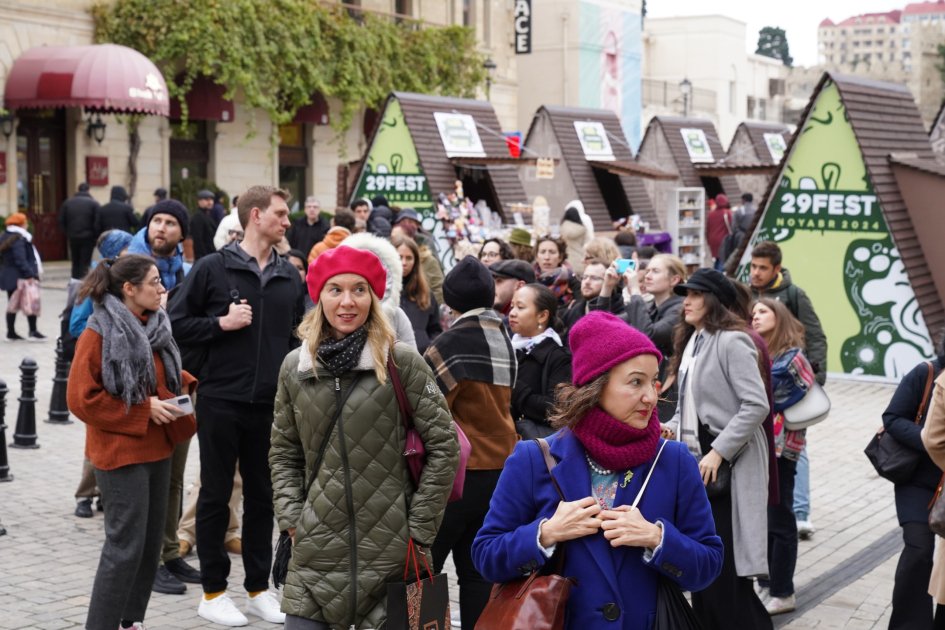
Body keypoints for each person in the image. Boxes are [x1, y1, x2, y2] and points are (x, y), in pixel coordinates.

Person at [473, 311, 724, 629]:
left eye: (652, 380)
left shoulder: (673, 460)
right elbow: (486, 557)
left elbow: (709, 565)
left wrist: (657, 538)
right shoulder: (533, 458)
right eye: (635, 382)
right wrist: (545, 534)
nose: (651, 396)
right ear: (596, 386)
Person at [270, 245, 459, 629]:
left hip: (395, 556)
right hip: (315, 555)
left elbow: (444, 446)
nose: (347, 302)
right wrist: (292, 519)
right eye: (335, 290)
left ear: (373, 298)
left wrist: (420, 529)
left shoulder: (401, 360)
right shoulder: (295, 367)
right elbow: (283, 452)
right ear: (318, 297)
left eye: (359, 290)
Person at [168, 185, 305, 626]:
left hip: (269, 406)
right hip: (220, 400)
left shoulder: (290, 276)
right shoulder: (212, 268)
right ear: (256, 216)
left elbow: (294, 341)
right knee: (215, 495)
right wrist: (220, 324)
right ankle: (212, 593)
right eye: (281, 215)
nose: (287, 222)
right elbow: (175, 323)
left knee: (264, 497)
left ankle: (259, 589)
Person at [66, 254, 197, 630]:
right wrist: (143, 409)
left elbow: (153, 376)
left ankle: (130, 621)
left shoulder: (155, 325)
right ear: (129, 289)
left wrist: (181, 389)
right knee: (124, 549)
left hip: (158, 447)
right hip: (120, 453)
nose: (162, 289)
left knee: (148, 546)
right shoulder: (99, 330)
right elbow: (80, 399)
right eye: (154, 282)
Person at [664, 268, 773, 630]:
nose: (687, 302)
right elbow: (688, 402)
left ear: (713, 300)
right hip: (699, 462)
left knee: (724, 568)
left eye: (695, 295)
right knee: (704, 566)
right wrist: (671, 427)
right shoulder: (694, 340)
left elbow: (756, 405)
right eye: (685, 294)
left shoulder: (732, 340)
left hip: (729, 462)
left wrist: (720, 450)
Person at [424, 256, 518, 628]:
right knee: (478, 572)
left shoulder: (449, 342)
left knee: (424, 568)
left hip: (455, 475)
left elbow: (428, 410)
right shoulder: (504, 338)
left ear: (450, 300)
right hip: (498, 473)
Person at [749, 240, 827, 538]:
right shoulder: (748, 294)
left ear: (776, 269)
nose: (756, 273)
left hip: (791, 387)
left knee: (796, 449)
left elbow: (816, 336)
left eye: (762, 268)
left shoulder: (793, 295)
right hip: (764, 388)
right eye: (753, 266)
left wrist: (814, 382)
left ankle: (802, 512)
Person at [751, 298, 813, 615]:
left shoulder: (792, 358)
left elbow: (765, 395)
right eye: (753, 312)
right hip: (759, 447)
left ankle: (783, 591)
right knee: (764, 517)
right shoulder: (761, 355)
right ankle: (767, 583)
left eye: (763, 311)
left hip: (782, 450)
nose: (755, 316)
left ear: (780, 317)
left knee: (780, 517)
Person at [70, 229, 135, 519]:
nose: (133, 250)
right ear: (116, 252)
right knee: (96, 437)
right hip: (101, 368)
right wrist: (108, 331)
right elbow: (76, 325)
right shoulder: (97, 284)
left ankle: (105, 495)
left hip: (126, 368)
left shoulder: (128, 281)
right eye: (127, 247)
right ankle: (85, 494)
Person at [887, 335, 945, 629]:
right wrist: (928, 440)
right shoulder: (926, 373)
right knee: (919, 551)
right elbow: (892, 418)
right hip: (918, 481)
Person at [603, 254, 686, 422]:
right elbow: (607, 324)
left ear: (674, 279)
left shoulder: (680, 308)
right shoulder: (650, 306)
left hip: (669, 392)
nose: (647, 276)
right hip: (651, 385)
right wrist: (607, 288)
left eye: (655, 271)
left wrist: (635, 291)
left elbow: (649, 336)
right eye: (647, 270)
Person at [508, 283, 571, 438]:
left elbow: (555, 409)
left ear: (542, 315)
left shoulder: (558, 357)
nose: (512, 313)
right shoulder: (508, 348)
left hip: (532, 441)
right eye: (512, 306)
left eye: (520, 307)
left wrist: (513, 385)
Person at [128, 200, 192, 292]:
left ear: (182, 234)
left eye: (170, 223)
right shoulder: (128, 270)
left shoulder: (188, 273)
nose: (161, 229)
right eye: (157, 221)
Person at [0, 212, 45, 341]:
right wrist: (30, 274)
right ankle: (33, 331)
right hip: (20, 277)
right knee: (31, 302)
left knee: (12, 305)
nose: (26, 225)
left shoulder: (5, 235)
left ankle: (11, 332)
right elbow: (20, 259)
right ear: (20, 224)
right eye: (25, 222)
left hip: (9, 276)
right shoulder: (19, 238)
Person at [394, 235, 441, 355]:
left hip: (421, 359)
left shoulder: (426, 294)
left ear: (415, 261)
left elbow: (435, 329)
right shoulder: (381, 292)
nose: (404, 263)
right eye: (399, 257)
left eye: (409, 258)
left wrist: (429, 349)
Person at [59, 182, 101, 279]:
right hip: (88, 237)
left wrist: (67, 233)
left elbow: (61, 220)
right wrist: (95, 236)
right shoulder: (94, 203)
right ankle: (83, 282)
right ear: (88, 190)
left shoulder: (67, 203)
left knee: (75, 261)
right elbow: (97, 222)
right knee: (85, 262)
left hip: (73, 236)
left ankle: (74, 281)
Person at [534, 236, 578, 307]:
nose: (547, 257)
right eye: (542, 252)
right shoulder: (529, 280)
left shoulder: (572, 280)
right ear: (536, 257)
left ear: (560, 257)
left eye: (552, 252)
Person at [559, 201, 594, 275]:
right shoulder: (582, 228)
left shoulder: (563, 228)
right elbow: (588, 241)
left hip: (567, 259)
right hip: (580, 259)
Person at [706, 193, 733, 271]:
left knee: (717, 260)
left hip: (712, 241)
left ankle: (714, 275)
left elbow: (707, 229)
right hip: (723, 240)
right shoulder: (727, 212)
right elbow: (732, 226)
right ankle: (718, 278)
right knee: (722, 260)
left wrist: (708, 241)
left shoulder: (711, 214)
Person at [190, 190, 219, 261]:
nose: (210, 202)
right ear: (199, 201)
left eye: (212, 199)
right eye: (207, 200)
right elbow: (198, 241)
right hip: (204, 258)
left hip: (211, 256)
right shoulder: (198, 217)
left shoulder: (208, 216)